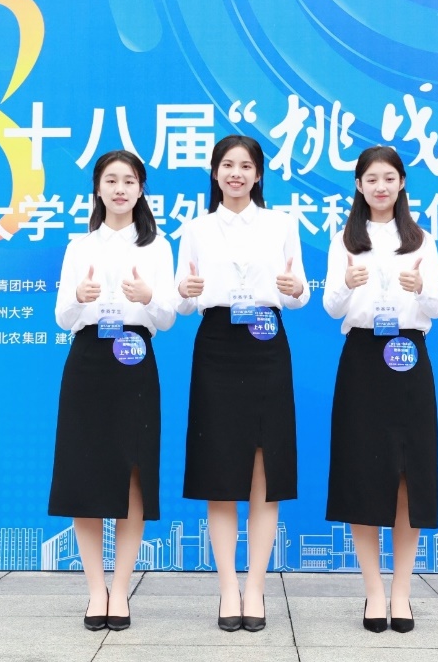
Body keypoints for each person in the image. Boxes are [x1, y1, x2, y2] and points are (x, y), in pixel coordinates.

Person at [175, 134, 308, 632]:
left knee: (263, 470)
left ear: (258, 175)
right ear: (215, 173)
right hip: (217, 343)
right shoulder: (196, 229)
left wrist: (296, 289)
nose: (236, 173)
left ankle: (256, 587)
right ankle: (228, 588)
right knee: (220, 469)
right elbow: (182, 301)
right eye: (227, 165)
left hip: (267, 339)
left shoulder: (281, 224)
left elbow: (298, 294)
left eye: (246, 166)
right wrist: (184, 291)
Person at [49, 150, 176, 631]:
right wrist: (77, 300)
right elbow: (62, 317)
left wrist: (149, 298)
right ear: (98, 189)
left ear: (141, 189)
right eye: (111, 180)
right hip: (88, 359)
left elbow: (167, 317)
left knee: (132, 472)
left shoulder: (157, 247)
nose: (120, 189)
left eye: (129, 181)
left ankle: (120, 589)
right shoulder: (79, 246)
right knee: (84, 474)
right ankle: (95, 590)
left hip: (135, 357)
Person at [322, 145, 438, 634]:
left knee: (407, 475)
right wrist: (348, 283)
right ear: (358, 185)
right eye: (371, 178)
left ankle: (402, 593)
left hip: (408, 355)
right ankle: (374, 592)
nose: (380, 186)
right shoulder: (345, 239)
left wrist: (419, 289)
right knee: (363, 473)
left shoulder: (421, 239)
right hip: (362, 357)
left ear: (401, 183)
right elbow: (332, 307)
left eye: (389, 178)